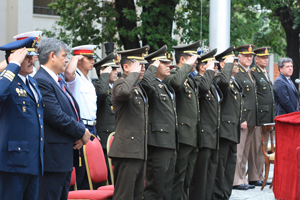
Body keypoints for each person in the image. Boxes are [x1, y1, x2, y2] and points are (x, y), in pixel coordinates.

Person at [34, 38, 91, 200]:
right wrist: (81, 131)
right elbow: (56, 115)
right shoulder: (42, 80)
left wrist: (78, 134)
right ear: (52, 56)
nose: (67, 59)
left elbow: (72, 110)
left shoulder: (56, 80)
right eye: (64, 55)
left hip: (63, 156)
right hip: (53, 158)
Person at [0, 37, 43, 200]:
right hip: (13, 162)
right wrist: (12, 66)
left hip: (32, 160)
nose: (32, 60)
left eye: (32, 56)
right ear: (14, 58)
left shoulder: (32, 83)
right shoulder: (7, 80)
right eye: (26, 56)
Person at [189, 49, 232, 199]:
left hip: (214, 136)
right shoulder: (199, 81)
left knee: (210, 176)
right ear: (203, 67)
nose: (216, 69)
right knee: (200, 178)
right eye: (213, 66)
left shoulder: (212, 84)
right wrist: (209, 71)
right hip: (204, 137)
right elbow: (203, 88)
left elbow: (223, 81)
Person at [108, 45, 149, 200]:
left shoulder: (137, 87)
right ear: (126, 67)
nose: (143, 68)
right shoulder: (120, 83)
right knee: (124, 196)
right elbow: (124, 93)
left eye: (143, 65)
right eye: (138, 64)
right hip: (126, 151)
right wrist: (133, 74)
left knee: (137, 195)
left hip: (138, 150)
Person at [164, 41, 200, 200]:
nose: (196, 63)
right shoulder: (173, 75)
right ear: (183, 60)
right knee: (179, 177)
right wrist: (187, 67)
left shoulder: (190, 78)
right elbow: (176, 84)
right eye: (193, 60)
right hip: (183, 135)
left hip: (192, 134)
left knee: (188, 177)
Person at [141, 45, 178, 200]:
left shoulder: (165, 86)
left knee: (166, 187)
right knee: (155, 187)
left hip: (169, 141)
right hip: (158, 142)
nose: (169, 65)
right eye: (164, 63)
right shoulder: (150, 84)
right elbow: (145, 86)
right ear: (154, 65)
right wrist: (151, 67)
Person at [64, 44, 98, 189]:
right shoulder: (75, 77)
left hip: (92, 127)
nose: (92, 61)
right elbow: (68, 73)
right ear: (79, 60)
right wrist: (74, 58)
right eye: (88, 58)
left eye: (92, 58)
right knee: (80, 173)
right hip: (81, 126)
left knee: (90, 173)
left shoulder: (89, 80)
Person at [212, 46, 243, 199]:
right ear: (223, 65)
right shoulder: (219, 79)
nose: (236, 63)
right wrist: (227, 66)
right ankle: (218, 196)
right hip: (223, 131)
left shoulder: (234, 81)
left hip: (233, 131)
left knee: (229, 169)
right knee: (220, 169)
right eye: (232, 61)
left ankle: (225, 196)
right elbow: (223, 82)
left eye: (235, 61)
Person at [248, 47, 275, 186]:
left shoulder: (264, 73)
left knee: (264, 148)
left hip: (268, 116)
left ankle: (260, 175)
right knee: (256, 148)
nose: (266, 60)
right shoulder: (253, 72)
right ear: (256, 59)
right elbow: (254, 97)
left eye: (267, 58)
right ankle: (254, 176)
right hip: (259, 116)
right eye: (263, 58)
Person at [232, 44, 258, 190]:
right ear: (239, 57)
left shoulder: (248, 72)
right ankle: (236, 180)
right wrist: (241, 118)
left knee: (245, 151)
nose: (250, 58)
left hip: (251, 119)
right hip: (243, 119)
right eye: (246, 56)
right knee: (239, 151)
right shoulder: (238, 73)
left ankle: (242, 178)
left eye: (251, 56)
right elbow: (238, 99)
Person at [93, 52, 120, 184]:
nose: (116, 72)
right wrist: (104, 75)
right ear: (102, 72)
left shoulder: (115, 87)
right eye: (112, 69)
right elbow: (101, 93)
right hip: (105, 141)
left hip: (116, 139)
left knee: (116, 179)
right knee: (106, 180)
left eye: (116, 68)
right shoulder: (97, 87)